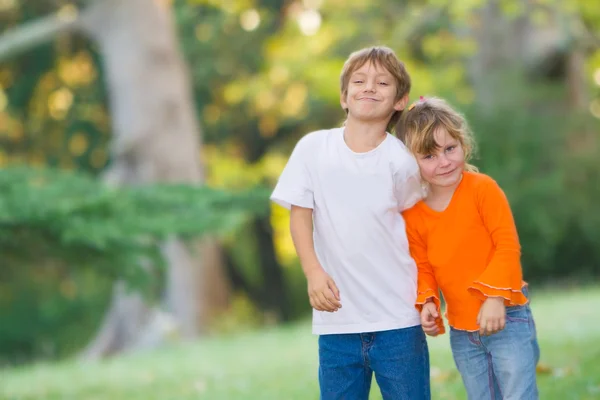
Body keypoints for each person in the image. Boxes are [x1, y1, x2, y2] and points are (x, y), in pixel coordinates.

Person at [270, 46, 431, 399]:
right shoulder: (314, 148)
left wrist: (428, 296)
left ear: (400, 100)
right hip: (337, 323)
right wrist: (313, 271)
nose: (369, 87)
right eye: (359, 81)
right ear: (344, 97)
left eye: (382, 82)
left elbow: (418, 229)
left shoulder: (401, 161)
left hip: (398, 320)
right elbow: (300, 213)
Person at [398, 96, 540, 400]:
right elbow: (423, 266)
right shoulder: (413, 213)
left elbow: (507, 246)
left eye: (450, 148)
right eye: (429, 156)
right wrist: (428, 302)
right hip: (463, 330)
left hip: (508, 316)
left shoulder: (482, 189)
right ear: (411, 162)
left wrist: (494, 298)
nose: (444, 161)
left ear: (464, 144)